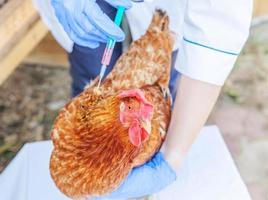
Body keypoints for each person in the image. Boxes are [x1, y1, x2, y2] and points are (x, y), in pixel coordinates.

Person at [35, 0, 253, 198]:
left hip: (159, 12)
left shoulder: (144, 139)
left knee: (168, 62)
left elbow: (219, 26)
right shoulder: (69, 130)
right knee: (89, 52)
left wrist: (173, 155)